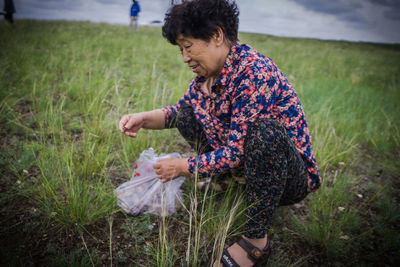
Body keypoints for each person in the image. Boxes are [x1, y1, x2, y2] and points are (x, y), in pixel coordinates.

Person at [119, 0, 321, 266]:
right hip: (247, 168)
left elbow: (238, 151)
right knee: (188, 116)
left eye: (188, 46)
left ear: (216, 35)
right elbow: (177, 112)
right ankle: (226, 183)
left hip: (287, 180)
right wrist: (143, 118)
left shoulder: (253, 73)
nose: (185, 58)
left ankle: (255, 242)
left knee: (265, 132)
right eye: (180, 49)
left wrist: (184, 166)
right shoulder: (205, 78)